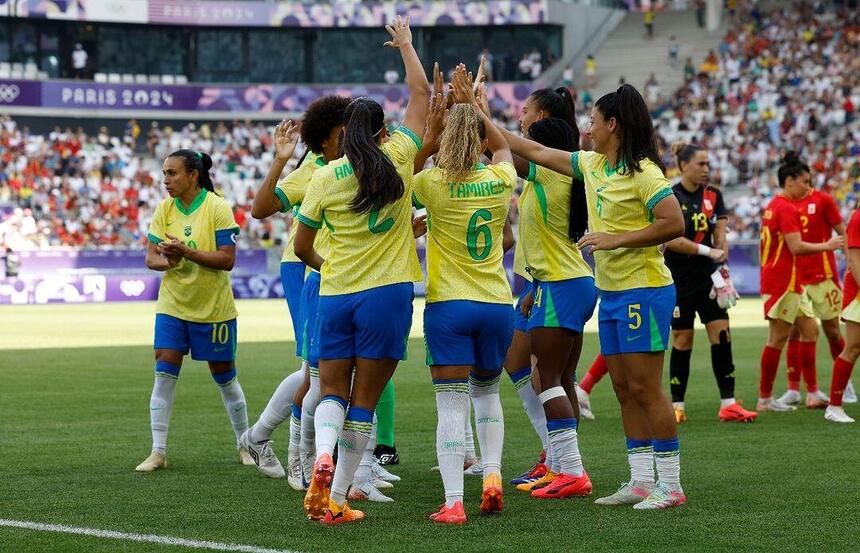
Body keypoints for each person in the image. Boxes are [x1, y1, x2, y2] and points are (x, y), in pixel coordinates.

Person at [496, 84, 688, 510]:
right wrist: (473, 110)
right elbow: (532, 149)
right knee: (621, 387)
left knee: (645, 387)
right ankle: (640, 480)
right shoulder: (593, 165)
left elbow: (674, 223)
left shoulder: (645, 173)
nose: (588, 127)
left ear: (613, 125)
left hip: (645, 290)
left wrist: (616, 239)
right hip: (612, 291)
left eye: (594, 121)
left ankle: (670, 485)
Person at [295, 15, 430, 525]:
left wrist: (328, 267)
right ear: (381, 131)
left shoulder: (326, 175)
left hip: (337, 293)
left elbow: (302, 244)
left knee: (330, 389)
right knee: (365, 401)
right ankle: (338, 496)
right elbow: (420, 95)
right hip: (388, 294)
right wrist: (405, 46)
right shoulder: (398, 156)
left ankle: (321, 457)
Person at [413, 72, 516, 523]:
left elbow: (408, 167)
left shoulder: (433, 184)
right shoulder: (498, 180)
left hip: (449, 306)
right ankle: (492, 475)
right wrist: (476, 109)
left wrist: (433, 129)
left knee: (450, 404)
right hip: (496, 302)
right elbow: (506, 148)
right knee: (488, 395)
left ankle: (454, 501)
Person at [242, 95, 350, 489]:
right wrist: (280, 159)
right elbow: (261, 208)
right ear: (324, 140)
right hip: (306, 266)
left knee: (318, 367)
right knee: (315, 367)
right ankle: (296, 457)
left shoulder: (353, 163)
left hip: (333, 272)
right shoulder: (316, 170)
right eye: (344, 132)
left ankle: (259, 437)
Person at [135, 149, 252, 472]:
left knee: (224, 375)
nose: (165, 180)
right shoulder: (164, 209)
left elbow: (227, 260)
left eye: (172, 173)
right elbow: (151, 258)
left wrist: (184, 251)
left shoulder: (217, 207)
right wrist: (169, 261)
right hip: (173, 304)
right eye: (164, 173)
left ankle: (246, 444)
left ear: (193, 175)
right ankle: (157, 451)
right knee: (164, 366)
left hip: (213, 308)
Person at [663, 143, 757, 423]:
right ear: (683, 166)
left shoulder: (713, 195)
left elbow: (720, 233)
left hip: (708, 279)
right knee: (682, 339)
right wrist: (709, 251)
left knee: (722, 334)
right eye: (700, 164)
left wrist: (722, 259)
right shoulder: (670, 195)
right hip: (679, 279)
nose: (706, 169)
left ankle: (728, 403)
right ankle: (677, 406)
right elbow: (671, 239)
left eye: (708, 164)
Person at [758, 152, 843, 413]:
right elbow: (795, 247)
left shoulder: (774, 204)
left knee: (810, 331)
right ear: (790, 180)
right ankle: (765, 399)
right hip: (783, 281)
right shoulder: (785, 207)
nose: (808, 187)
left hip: (788, 281)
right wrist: (826, 245)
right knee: (778, 338)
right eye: (805, 181)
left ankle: (813, 393)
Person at [778, 183, 847, 409]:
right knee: (794, 333)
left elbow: (842, 232)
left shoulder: (823, 199)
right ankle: (792, 389)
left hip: (823, 277)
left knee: (833, 333)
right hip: (796, 277)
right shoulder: (785, 204)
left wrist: (851, 265)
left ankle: (844, 385)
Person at [826, 207, 860, 423]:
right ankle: (834, 406)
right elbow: (854, 260)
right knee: (854, 347)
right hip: (858, 291)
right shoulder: (858, 218)